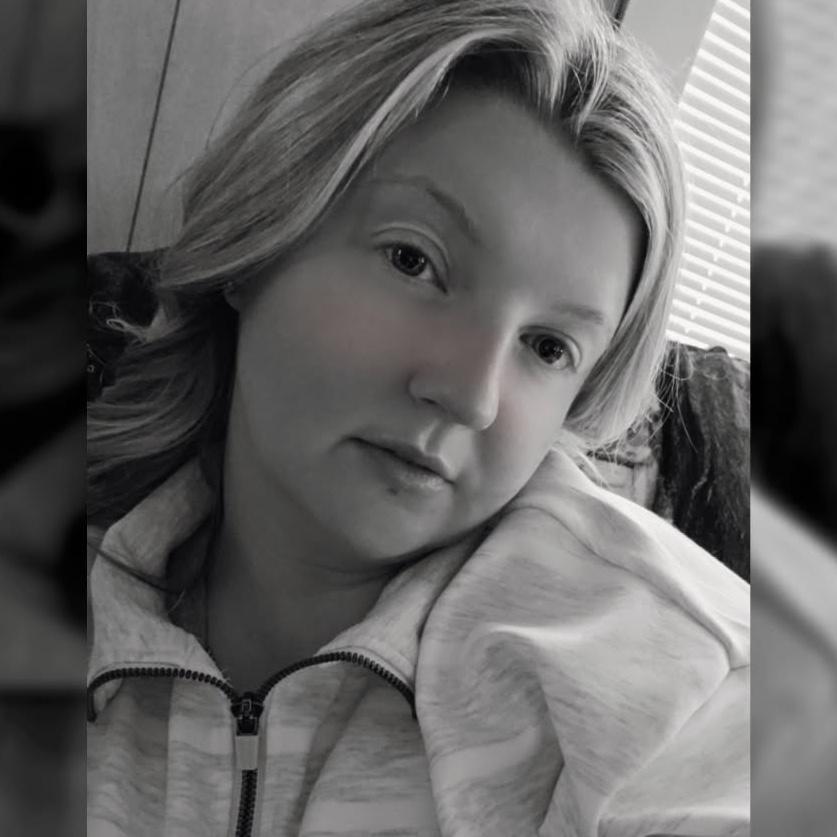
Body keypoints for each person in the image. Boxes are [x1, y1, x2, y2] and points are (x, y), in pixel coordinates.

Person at [87, 1, 750, 834]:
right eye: (413, 261)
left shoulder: (672, 675)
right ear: (258, 241)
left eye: (548, 346)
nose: (471, 395)